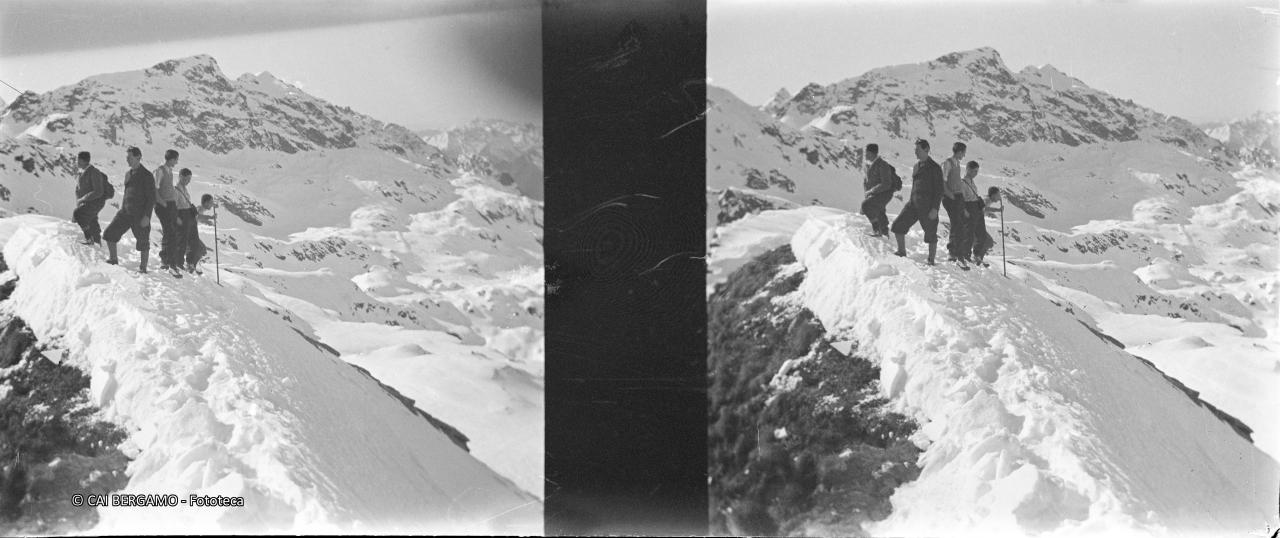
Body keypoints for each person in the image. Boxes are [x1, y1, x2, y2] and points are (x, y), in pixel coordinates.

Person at [891, 139, 945, 265]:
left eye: (918, 150)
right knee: (898, 225)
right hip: (913, 204)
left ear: (926, 150)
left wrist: (935, 209)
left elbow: (939, 190)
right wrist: (911, 201)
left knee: (931, 233)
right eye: (915, 150)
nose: (915, 152)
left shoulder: (935, 168)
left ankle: (931, 260)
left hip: (928, 206)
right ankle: (901, 251)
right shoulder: (916, 166)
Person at [103, 147, 156, 273]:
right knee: (109, 233)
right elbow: (127, 194)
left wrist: (147, 217)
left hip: (140, 215)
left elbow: (151, 198)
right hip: (125, 212)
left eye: (130, 157)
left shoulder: (147, 175)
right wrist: (122, 209)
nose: (127, 160)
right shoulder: (128, 174)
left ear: (138, 157)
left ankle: (143, 268)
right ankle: (113, 259)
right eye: (127, 157)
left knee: (143, 242)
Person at [941, 141, 970, 265]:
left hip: (957, 197)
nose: (964, 156)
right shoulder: (948, 163)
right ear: (959, 152)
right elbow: (942, 181)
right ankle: (952, 252)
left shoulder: (957, 164)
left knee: (960, 224)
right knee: (956, 223)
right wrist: (950, 195)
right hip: (951, 197)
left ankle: (958, 251)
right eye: (963, 153)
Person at [153, 149, 181, 277]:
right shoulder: (160, 171)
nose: (177, 162)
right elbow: (155, 189)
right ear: (171, 159)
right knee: (171, 234)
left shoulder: (169, 171)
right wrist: (162, 203)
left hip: (171, 206)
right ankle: (172, 265)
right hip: (164, 206)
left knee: (169, 232)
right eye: (176, 159)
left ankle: (165, 261)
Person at [860, 143, 897, 237]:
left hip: (884, 193)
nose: (865, 155)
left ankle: (877, 231)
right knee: (879, 211)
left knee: (866, 206)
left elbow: (886, 184)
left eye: (866, 153)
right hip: (877, 194)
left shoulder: (882, 165)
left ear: (871, 153)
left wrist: (871, 191)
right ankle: (884, 233)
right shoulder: (870, 165)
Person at [72, 151, 107, 245]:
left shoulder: (94, 172)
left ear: (83, 161)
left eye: (78, 160)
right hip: (88, 202)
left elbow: (98, 191)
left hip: (95, 202)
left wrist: (83, 199)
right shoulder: (83, 172)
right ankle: (96, 242)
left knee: (78, 214)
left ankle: (90, 240)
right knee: (91, 221)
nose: (77, 162)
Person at [959, 160, 986, 264]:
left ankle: (977, 254)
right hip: (969, 207)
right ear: (968, 170)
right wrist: (965, 210)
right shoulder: (963, 182)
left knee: (981, 233)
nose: (976, 173)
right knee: (969, 233)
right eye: (974, 171)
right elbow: (961, 199)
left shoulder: (972, 181)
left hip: (976, 208)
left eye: (977, 171)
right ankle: (966, 254)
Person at [184, 194, 215, 274]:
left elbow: (199, 218)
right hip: (189, 232)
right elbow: (198, 216)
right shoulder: (199, 209)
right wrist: (210, 217)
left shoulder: (201, 209)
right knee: (200, 248)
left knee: (201, 249)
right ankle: (190, 265)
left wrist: (208, 222)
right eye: (211, 202)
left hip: (189, 232)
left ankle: (191, 265)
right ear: (206, 202)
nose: (212, 204)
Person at [173, 168, 196, 273]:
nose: (188, 181)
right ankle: (178, 263)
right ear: (181, 177)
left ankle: (180, 262)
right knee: (180, 241)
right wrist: (177, 218)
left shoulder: (184, 189)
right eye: (187, 178)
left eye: (189, 178)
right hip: (180, 216)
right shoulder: (176, 190)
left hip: (186, 216)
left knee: (185, 240)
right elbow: (173, 206)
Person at [973, 186, 1001, 266]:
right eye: (998, 195)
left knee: (986, 241)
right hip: (976, 223)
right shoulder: (987, 200)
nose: (999, 197)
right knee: (987, 241)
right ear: (993, 195)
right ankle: (977, 258)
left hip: (976, 222)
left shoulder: (987, 199)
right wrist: (997, 210)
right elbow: (984, 208)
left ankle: (977, 258)